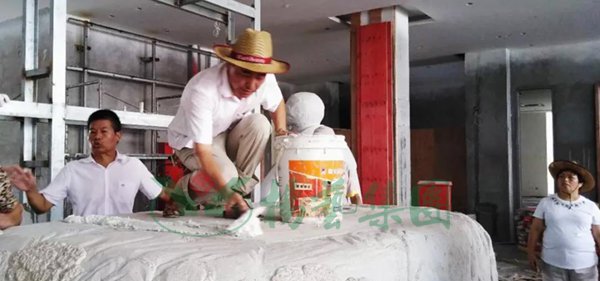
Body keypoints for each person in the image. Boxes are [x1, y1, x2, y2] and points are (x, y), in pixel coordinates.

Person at [165, 28, 289, 218]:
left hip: (225, 131)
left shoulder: (264, 78)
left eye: (259, 76)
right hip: (191, 142)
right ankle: (179, 196)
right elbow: (203, 151)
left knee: (260, 123)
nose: (251, 85)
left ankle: (234, 200)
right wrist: (226, 191)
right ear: (229, 64)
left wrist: (281, 133)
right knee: (225, 175)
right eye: (245, 73)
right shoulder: (202, 90)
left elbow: (277, 103)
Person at [5, 109, 171, 217]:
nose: (97, 137)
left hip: (121, 238)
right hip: (85, 238)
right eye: (92, 132)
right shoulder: (73, 170)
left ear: (117, 136)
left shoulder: (133, 166)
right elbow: (42, 206)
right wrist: (31, 190)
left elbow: (164, 194)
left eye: (103, 131)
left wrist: (179, 200)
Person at [527, 160, 600, 281]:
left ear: (580, 183)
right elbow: (535, 229)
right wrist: (531, 252)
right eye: (561, 177)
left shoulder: (590, 206)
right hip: (553, 264)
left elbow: (597, 233)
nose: (564, 180)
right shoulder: (546, 203)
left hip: (585, 265)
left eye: (570, 177)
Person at [262, 92, 362, 204]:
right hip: (335, 208)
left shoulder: (294, 148)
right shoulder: (339, 145)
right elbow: (355, 191)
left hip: (302, 208)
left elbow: (265, 194)